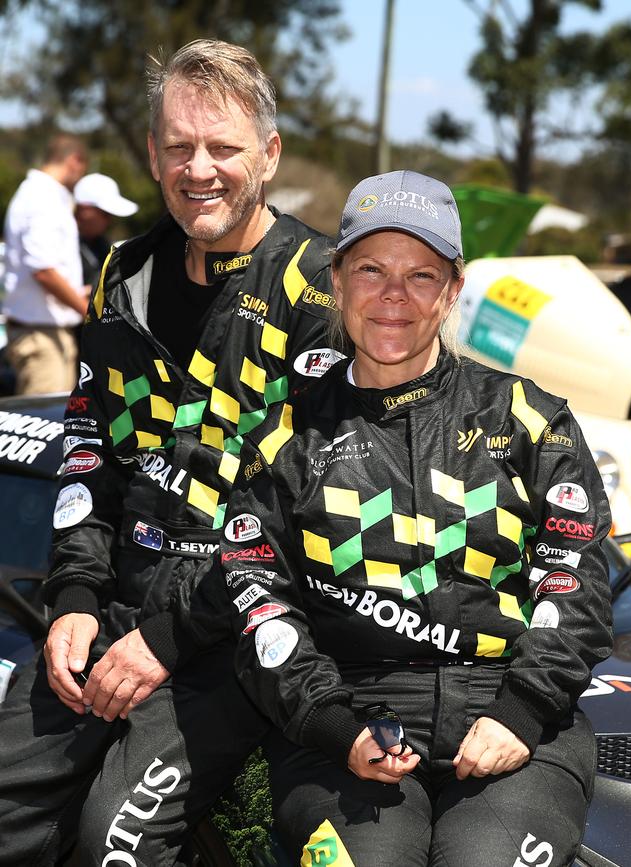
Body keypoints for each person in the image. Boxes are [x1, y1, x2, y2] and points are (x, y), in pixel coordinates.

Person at [0, 39, 339, 866]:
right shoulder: (124, 273)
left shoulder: (322, 289)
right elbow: (90, 449)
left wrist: (167, 637)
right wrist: (76, 593)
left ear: (268, 154)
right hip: (108, 614)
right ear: (152, 154)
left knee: (113, 839)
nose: (200, 169)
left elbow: (309, 513)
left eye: (223, 147)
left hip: (234, 638)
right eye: (180, 146)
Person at [219, 170, 614, 865]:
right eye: (370, 269)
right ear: (336, 282)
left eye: (421, 273)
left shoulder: (529, 420)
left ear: (454, 288)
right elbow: (258, 604)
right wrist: (338, 727)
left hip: (518, 723)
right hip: (342, 732)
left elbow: (575, 586)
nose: (394, 295)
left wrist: (519, 710)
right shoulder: (283, 433)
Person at [2, 134, 90, 394]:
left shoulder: (40, 195)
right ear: (75, 161)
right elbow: (43, 270)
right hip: (41, 337)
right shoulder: (43, 198)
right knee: (44, 424)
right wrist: (88, 311)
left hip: (44, 333)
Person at [74, 172, 139, 288]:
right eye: (105, 214)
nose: (109, 221)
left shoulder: (102, 245)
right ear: (84, 210)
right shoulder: (62, 245)